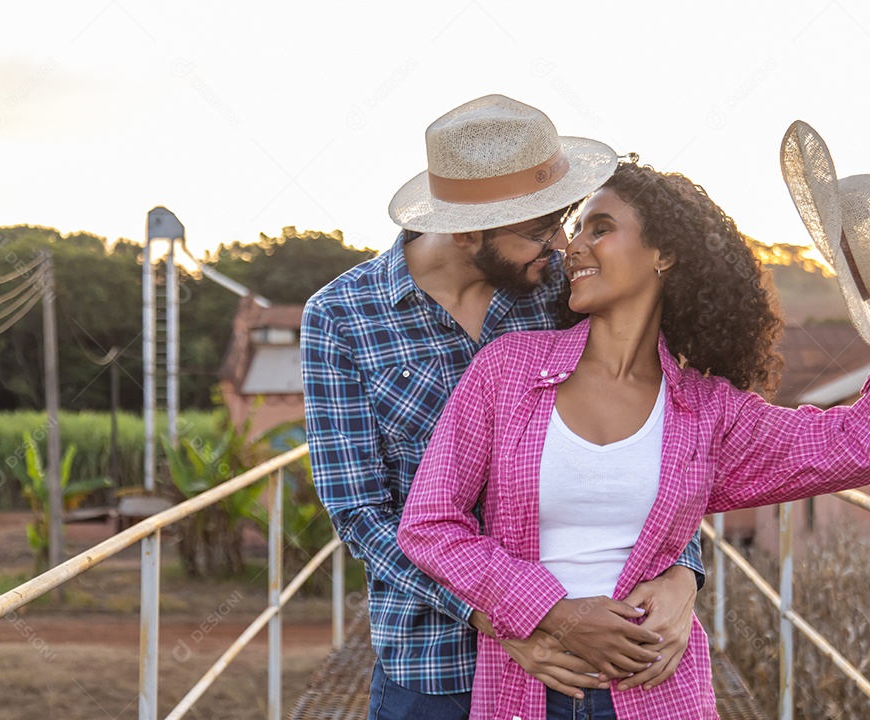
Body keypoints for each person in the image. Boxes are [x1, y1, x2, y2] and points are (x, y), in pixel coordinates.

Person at [397, 156, 870, 719]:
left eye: (601, 228)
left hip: (657, 694)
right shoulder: (507, 371)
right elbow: (430, 522)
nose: (573, 246)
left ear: (665, 253)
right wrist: (554, 612)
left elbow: (869, 443)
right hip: (527, 690)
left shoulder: (707, 412)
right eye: (579, 228)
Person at [301, 96, 705, 720]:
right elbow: (361, 512)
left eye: (565, 220)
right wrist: (515, 619)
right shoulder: (342, 318)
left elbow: (660, 438)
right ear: (465, 230)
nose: (564, 245)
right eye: (541, 231)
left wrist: (684, 574)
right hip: (437, 661)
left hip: (589, 660)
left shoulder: (560, 295)